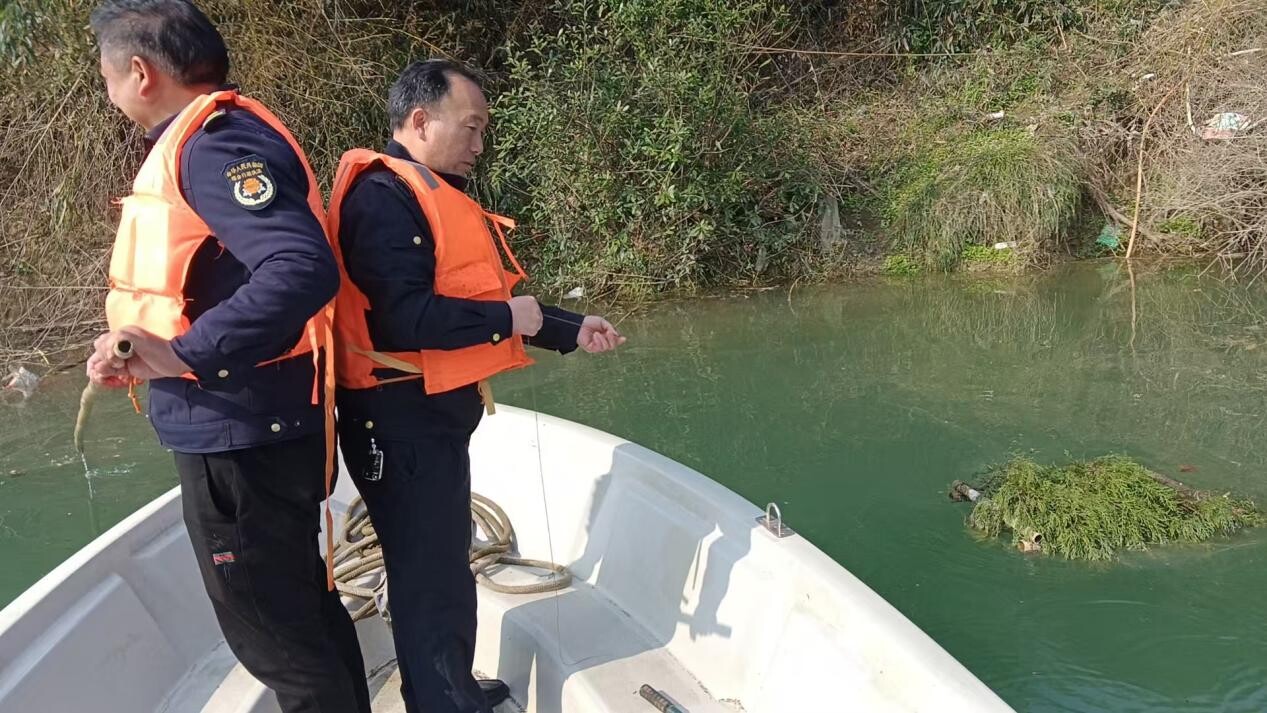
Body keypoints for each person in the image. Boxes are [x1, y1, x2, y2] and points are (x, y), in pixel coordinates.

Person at [84, 2, 370, 711]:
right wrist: (139, 348)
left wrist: (183, 352)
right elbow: (213, 281)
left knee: (280, 643)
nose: (108, 93)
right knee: (301, 616)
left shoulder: (212, 146)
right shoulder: (209, 139)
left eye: (107, 77)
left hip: (243, 440)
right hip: (255, 428)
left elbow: (300, 268)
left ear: (140, 73)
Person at [328, 58, 625, 713]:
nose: (479, 145)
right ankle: (444, 702)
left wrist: (569, 327)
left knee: (437, 565)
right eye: (471, 127)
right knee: (429, 576)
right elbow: (404, 317)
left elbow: (475, 303)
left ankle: (448, 688)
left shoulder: (417, 191)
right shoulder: (383, 198)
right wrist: (506, 319)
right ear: (419, 121)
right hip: (399, 423)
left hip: (424, 420)